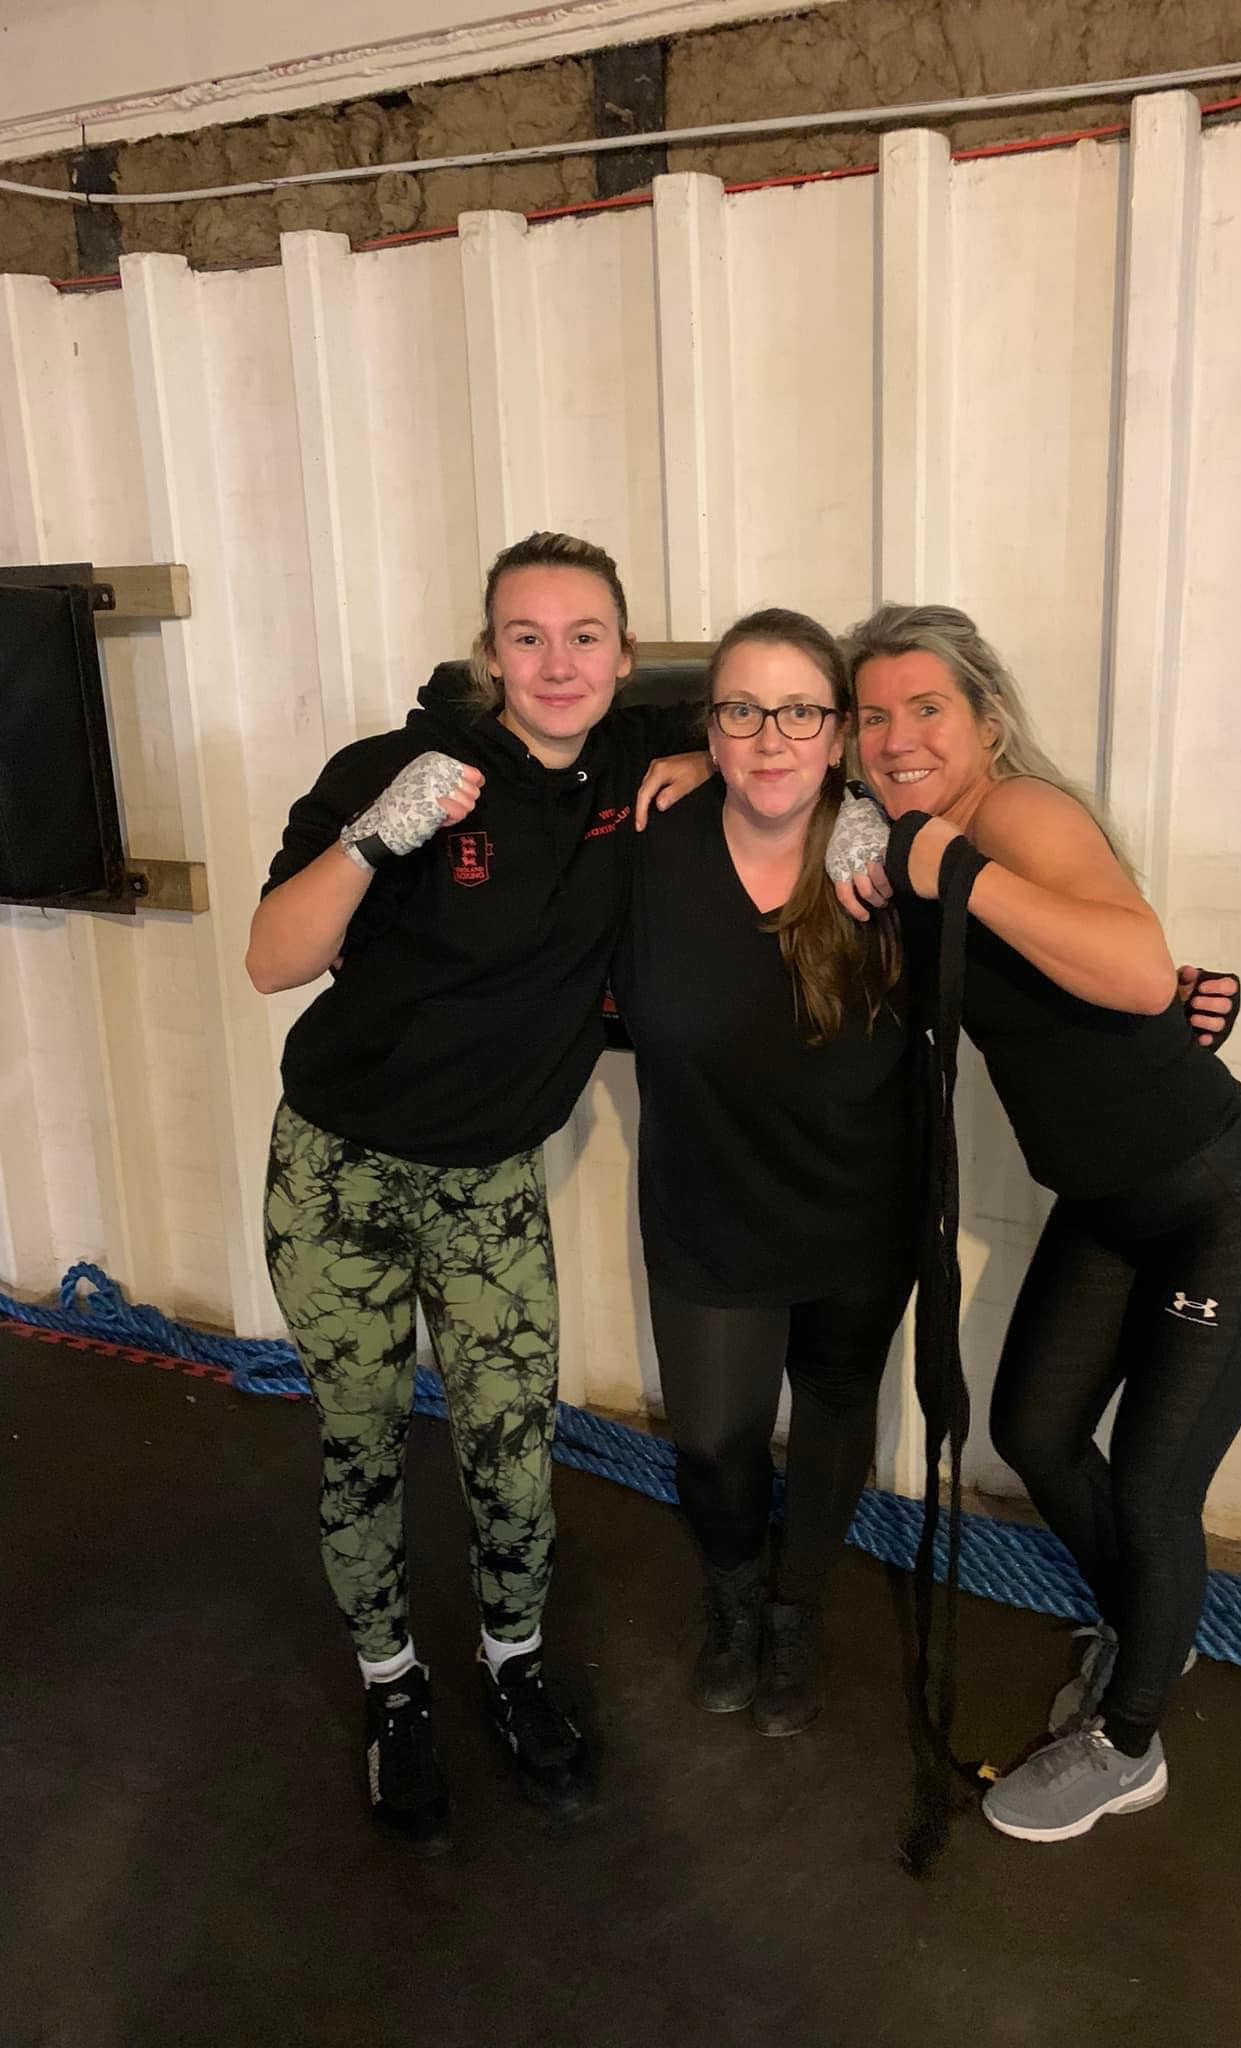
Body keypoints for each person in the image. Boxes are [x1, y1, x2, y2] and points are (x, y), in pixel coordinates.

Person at [247, 531, 707, 1851]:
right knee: (363, 1437)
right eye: (527, 636)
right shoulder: (395, 770)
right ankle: (392, 1686)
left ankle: (513, 1663)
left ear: (625, 655)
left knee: (512, 1445)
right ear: (488, 652)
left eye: (585, 637)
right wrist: (372, 840)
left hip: (490, 1183)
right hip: (339, 1170)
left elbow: (793, 715)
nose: (557, 663)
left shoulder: (634, 759)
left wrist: (707, 757)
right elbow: (272, 959)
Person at [830, 603, 1241, 1844]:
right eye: (872, 715)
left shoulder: (1014, 815)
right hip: (1108, 1202)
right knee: (1038, 1431)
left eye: (926, 708)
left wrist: (958, 870)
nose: (897, 736)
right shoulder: (911, 835)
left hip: (1223, 1205)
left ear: (987, 719)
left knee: (1154, 1485)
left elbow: (1138, 968)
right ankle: (1151, 1625)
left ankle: (1128, 1742)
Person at [610, 610, 919, 1737]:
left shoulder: (889, 859)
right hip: (709, 1204)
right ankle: (734, 1596)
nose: (772, 736)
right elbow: (559, 724)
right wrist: (699, 761)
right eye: (742, 711)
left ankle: (795, 1609)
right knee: (714, 1438)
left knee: (834, 1413)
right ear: (708, 724)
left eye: (800, 712)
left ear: (839, 732)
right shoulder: (651, 840)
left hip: (859, 1207)